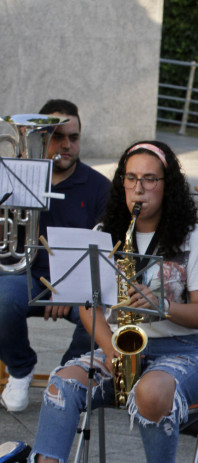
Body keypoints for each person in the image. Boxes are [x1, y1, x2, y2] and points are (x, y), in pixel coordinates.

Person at [30, 141, 198, 462]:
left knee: (150, 393)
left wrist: (162, 306)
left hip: (181, 353)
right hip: (118, 351)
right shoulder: (105, 232)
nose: (139, 188)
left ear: (168, 185)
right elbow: (87, 307)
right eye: (131, 178)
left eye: (150, 179)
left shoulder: (194, 237)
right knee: (60, 387)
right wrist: (110, 351)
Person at [0, 99, 110, 413]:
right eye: (56, 137)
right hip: (23, 275)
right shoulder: (14, 176)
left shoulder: (99, 188)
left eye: (73, 138)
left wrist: (70, 287)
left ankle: (65, 378)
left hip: (76, 284)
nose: (66, 145)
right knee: (1, 301)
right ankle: (20, 369)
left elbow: (104, 252)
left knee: (101, 319)